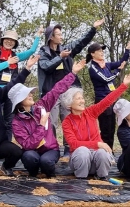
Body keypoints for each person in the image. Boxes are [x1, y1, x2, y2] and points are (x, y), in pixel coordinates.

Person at [38, 19, 104, 156]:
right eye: (58, 34)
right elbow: (46, 67)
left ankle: (69, 149)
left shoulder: (66, 49)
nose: (61, 36)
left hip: (68, 91)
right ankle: (53, 148)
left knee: (69, 119)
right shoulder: (43, 53)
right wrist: (60, 58)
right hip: (52, 92)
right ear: (51, 37)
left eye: (61, 34)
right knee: (52, 122)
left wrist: (93, 29)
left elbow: (81, 42)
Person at [9, 60, 87, 178]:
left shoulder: (42, 106)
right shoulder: (16, 122)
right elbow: (28, 145)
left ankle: (49, 174)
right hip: (32, 151)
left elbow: (57, 90)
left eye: (30, 93)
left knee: (46, 162)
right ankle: (33, 175)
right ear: (19, 102)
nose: (31, 95)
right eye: (27, 94)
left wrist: (73, 73)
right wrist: (41, 125)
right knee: (29, 157)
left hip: (50, 149)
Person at [60, 71, 130, 180]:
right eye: (78, 99)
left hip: (96, 161)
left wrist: (123, 86)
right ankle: (81, 183)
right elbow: (73, 144)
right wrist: (98, 144)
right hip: (80, 161)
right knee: (83, 151)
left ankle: (102, 180)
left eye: (82, 98)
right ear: (69, 104)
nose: (82, 101)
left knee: (102, 153)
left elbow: (107, 101)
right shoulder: (67, 122)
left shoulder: (90, 112)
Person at [0, 27, 43, 141]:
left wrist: (38, 34)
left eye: (12, 40)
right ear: (2, 40)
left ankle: (6, 144)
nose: (9, 42)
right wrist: (8, 62)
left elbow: (32, 51)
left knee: (9, 120)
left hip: (10, 92)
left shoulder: (16, 56)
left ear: (15, 43)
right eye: (7, 39)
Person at [87, 40, 130, 149]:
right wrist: (117, 71)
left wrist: (127, 50)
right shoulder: (93, 67)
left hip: (111, 101)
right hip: (102, 102)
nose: (102, 52)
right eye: (99, 51)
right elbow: (106, 79)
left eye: (102, 50)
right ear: (92, 54)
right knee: (105, 130)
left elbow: (121, 62)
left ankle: (109, 151)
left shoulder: (106, 65)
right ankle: (104, 152)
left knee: (112, 129)